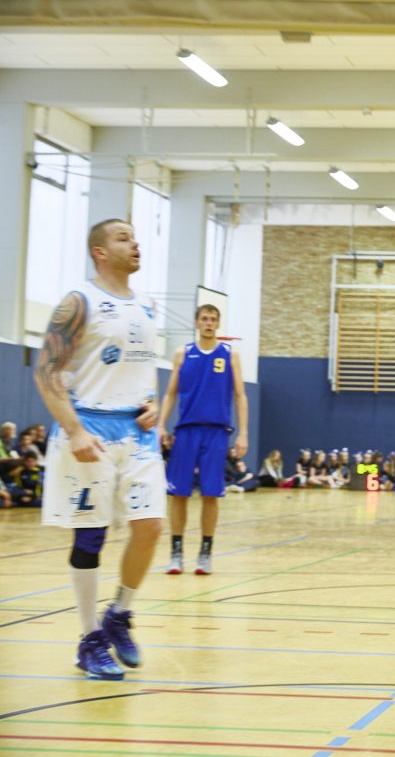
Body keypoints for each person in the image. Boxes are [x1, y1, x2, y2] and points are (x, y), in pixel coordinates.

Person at [36, 218, 166, 680]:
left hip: (137, 431)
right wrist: (73, 430)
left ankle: (120, 613)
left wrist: (151, 406)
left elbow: (142, 371)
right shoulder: (79, 302)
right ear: (99, 251)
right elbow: (46, 371)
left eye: (134, 236)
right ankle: (90, 638)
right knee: (91, 536)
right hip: (88, 427)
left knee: (151, 526)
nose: (135, 243)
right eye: (122, 237)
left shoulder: (149, 306)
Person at [158, 304, 248, 575]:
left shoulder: (230, 355)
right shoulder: (182, 353)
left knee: (211, 494)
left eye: (213, 319)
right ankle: (176, 553)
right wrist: (161, 424)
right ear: (197, 323)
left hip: (217, 432)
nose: (209, 323)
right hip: (186, 431)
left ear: (218, 324)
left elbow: (240, 395)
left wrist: (243, 433)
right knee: (178, 494)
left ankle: (205, 553)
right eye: (204, 319)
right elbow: (171, 393)